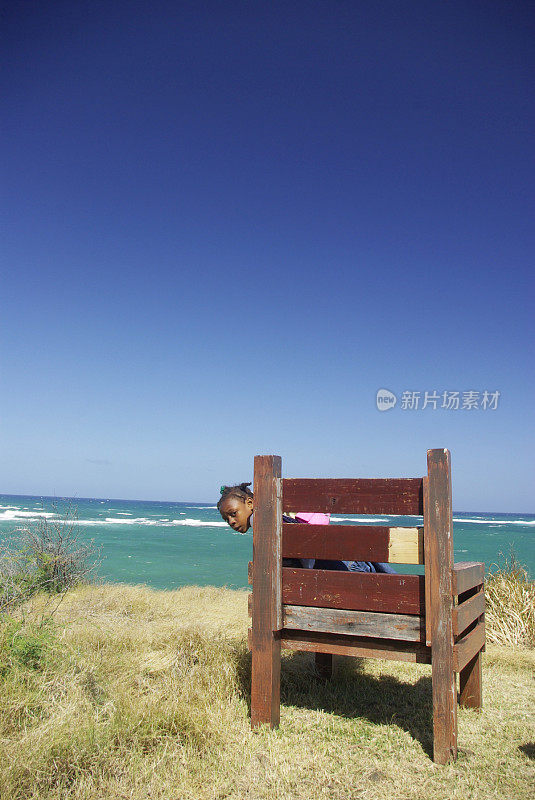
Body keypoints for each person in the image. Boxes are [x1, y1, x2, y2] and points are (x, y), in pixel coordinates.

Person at [217, 482, 396, 573]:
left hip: (342, 567)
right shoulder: (275, 520)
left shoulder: (262, 522)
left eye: (233, 513)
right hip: (347, 561)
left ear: (250, 503)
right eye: (227, 519)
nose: (231, 521)